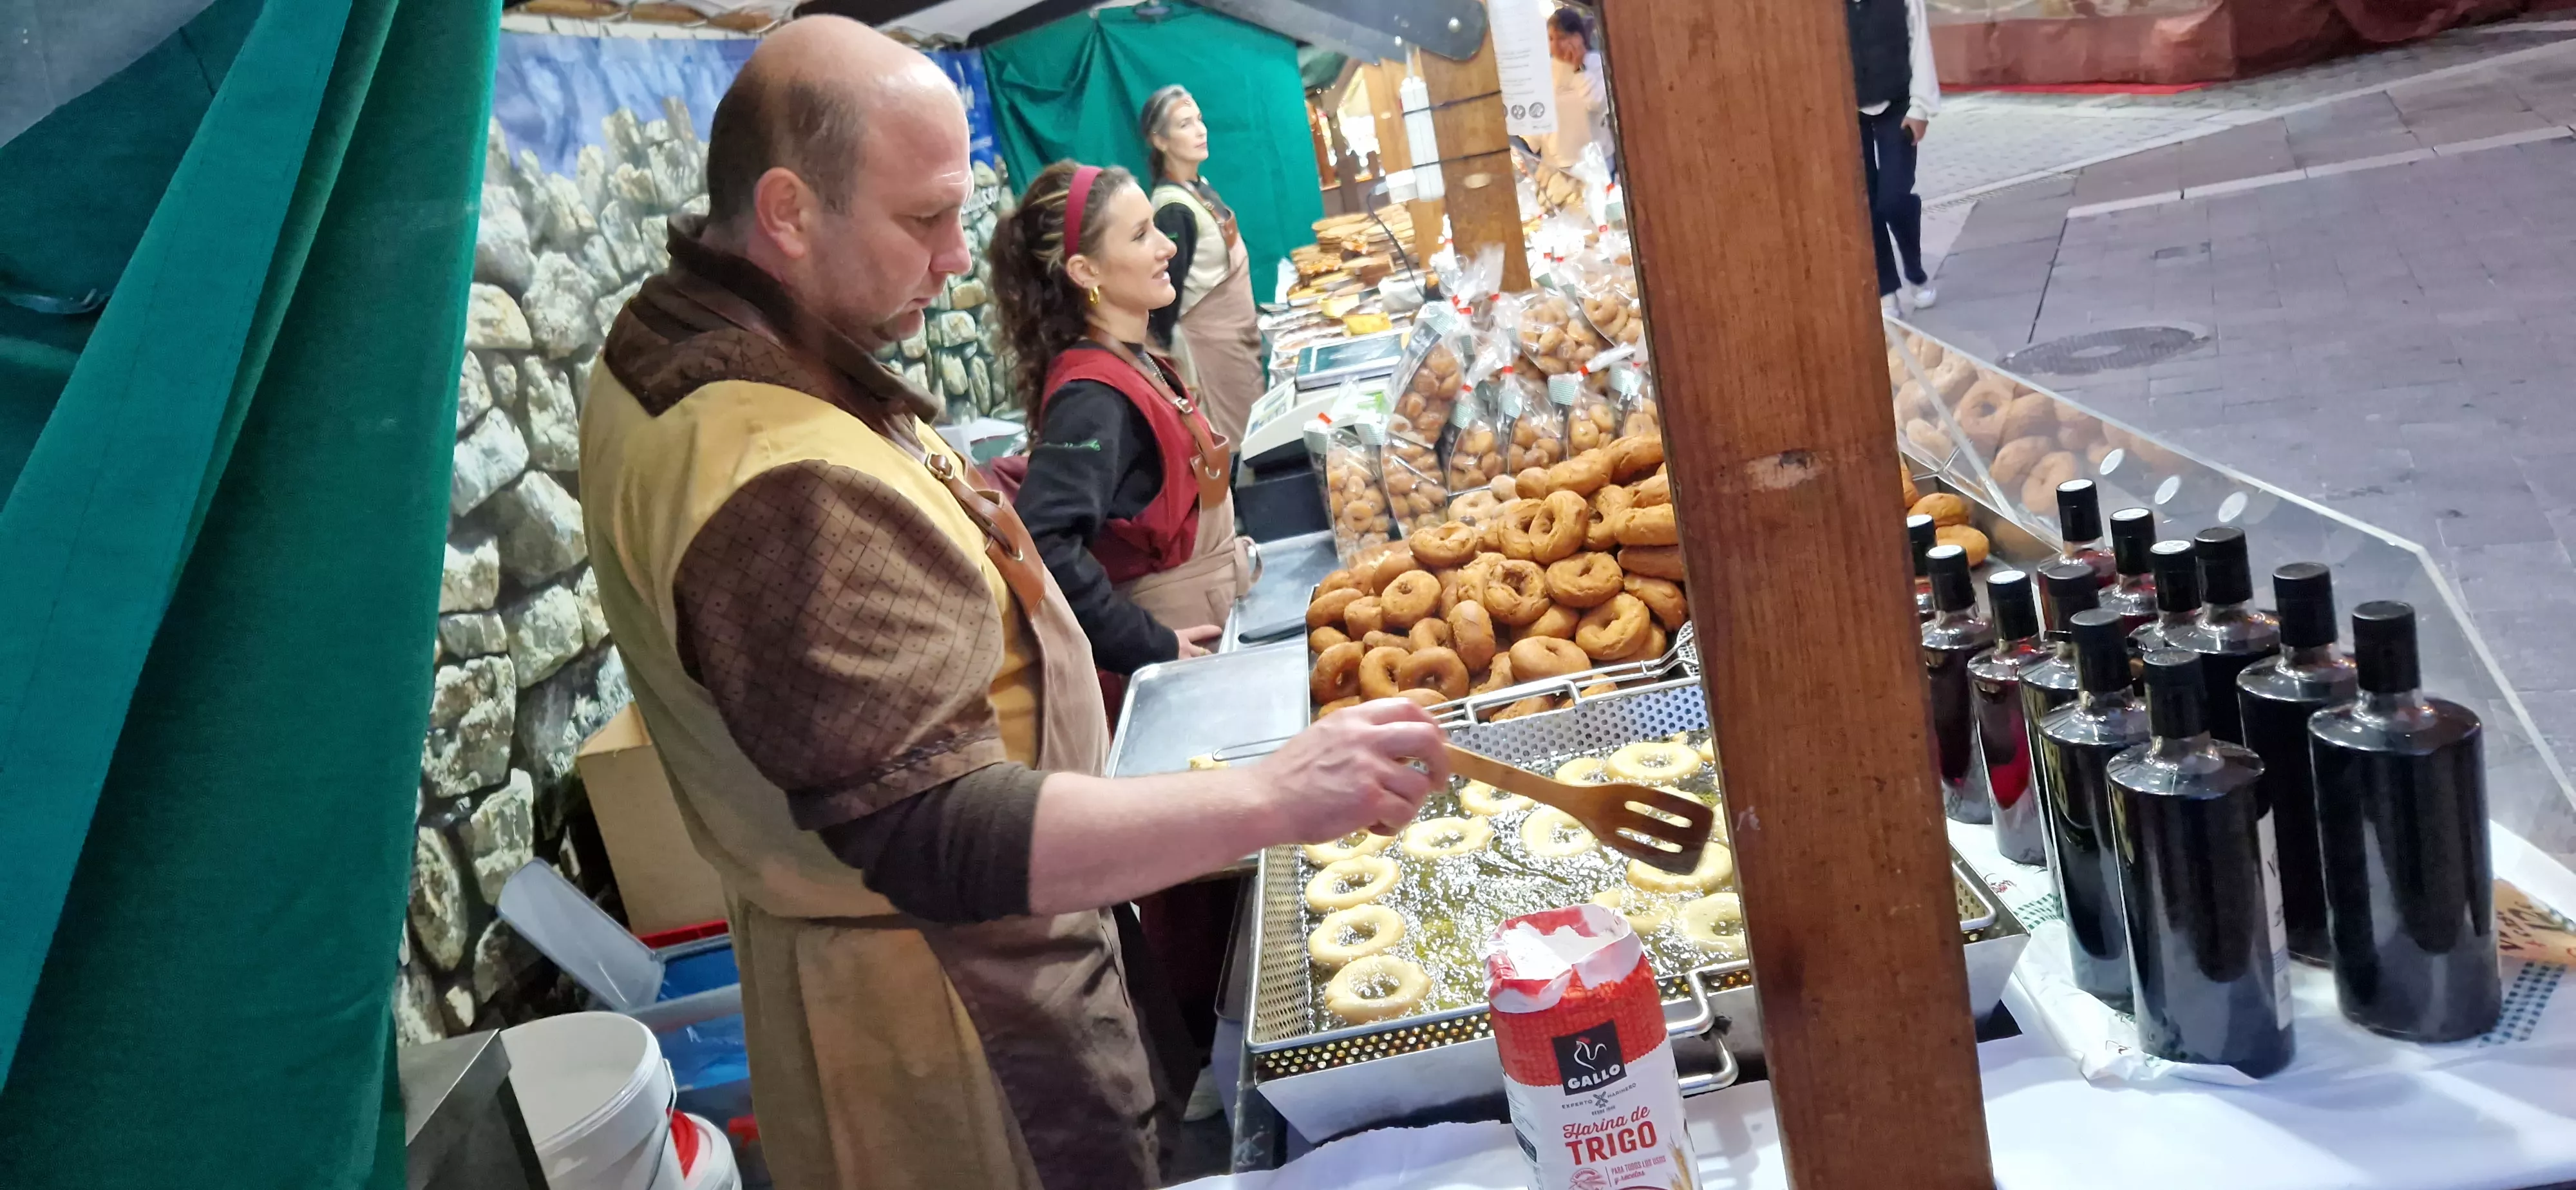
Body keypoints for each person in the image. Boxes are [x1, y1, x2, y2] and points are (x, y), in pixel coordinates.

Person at [577, 18, 1447, 1190]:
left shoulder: (710, 345)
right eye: (924, 218)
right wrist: (1274, 795)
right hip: (946, 1020)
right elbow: (941, 832)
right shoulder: (770, 473)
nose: (955, 256)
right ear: (787, 211)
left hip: (953, 964)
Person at [992, 161, 1249, 689]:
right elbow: (1044, 542)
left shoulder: (1132, 361)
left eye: (1156, 227)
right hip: (1176, 666)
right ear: (1085, 271)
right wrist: (1147, 644)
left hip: (1212, 630)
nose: (1168, 247)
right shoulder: (1091, 396)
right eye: (1140, 235)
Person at [1139, 86, 1264, 444]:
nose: (1200, 130)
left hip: (1236, 344)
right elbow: (1166, 300)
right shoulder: (1172, 209)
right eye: (1185, 124)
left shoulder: (1199, 187)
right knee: (1237, 446)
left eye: (1199, 120)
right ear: (1160, 140)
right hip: (1209, 354)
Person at [1851, 0, 1942, 314]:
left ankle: (1915, 271)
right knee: (1864, 203)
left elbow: (1919, 41)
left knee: (1894, 198)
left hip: (1899, 105)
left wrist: (1921, 109)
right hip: (1847, 110)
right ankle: (1886, 288)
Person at [1542, 7, 1615, 173]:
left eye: (1562, 38)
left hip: (1597, 160)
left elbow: (1598, 103)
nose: (1555, 45)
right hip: (1560, 163)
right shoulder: (1546, 69)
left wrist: (1579, 69)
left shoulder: (1596, 63)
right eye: (1551, 38)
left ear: (1578, 38)